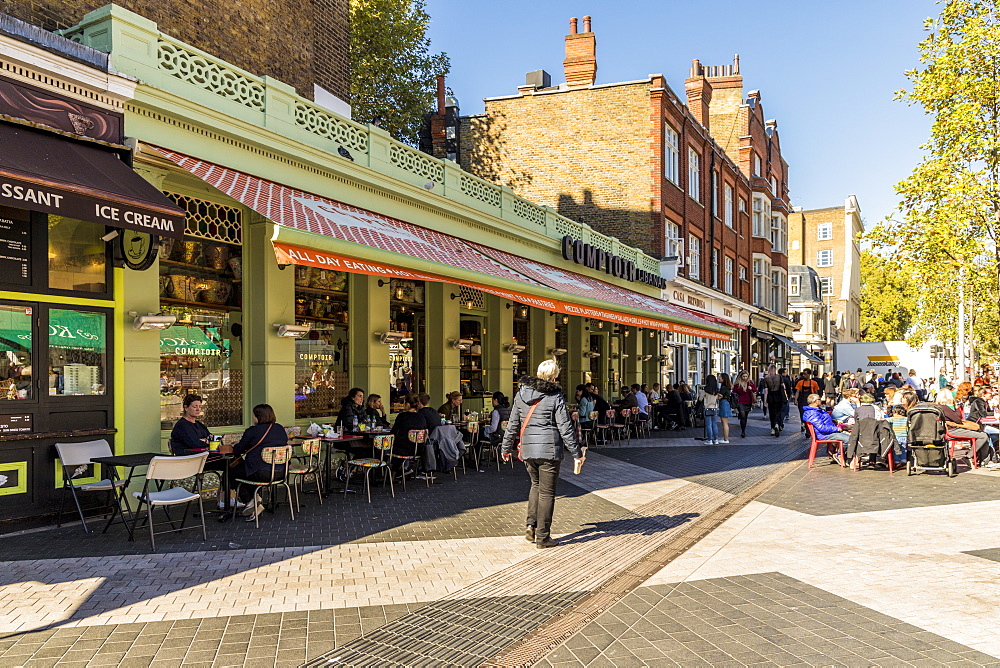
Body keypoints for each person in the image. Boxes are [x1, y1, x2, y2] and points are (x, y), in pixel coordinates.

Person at [502, 360, 584, 549]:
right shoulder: (555, 396)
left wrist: (505, 448)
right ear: (554, 377)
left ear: (538, 374)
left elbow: (512, 423)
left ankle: (531, 526)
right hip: (549, 450)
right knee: (547, 493)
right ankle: (543, 537)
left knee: (535, 486)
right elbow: (565, 427)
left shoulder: (521, 393)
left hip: (529, 450)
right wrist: (576, 452)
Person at [229, 404, 288, 520]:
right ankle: (255, 498)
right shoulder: (280, 429)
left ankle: (250, 501)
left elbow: (238, 450)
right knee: (248, 473)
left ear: (258, 417)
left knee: (232, 472)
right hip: (281, 472)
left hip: (261, 473)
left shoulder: (252, 431)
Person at [936, 393, 992, 465]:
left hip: (955, 429)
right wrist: (956, 408)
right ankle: (968, 457)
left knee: (985, 435)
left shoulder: (943, 407)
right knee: (983, 436)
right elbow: (958, 419)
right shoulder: (945, 408)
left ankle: (984, 460)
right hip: (953, 430)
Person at [802, 394, 850, 463]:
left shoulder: (816, 410)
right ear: (815, 401)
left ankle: (835, 452)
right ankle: (839, 455)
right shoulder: (813, 413)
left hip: (828, 432)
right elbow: (821, 427)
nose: (821, 401)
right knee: (849, 439)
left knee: (848, 434)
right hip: (825, 435)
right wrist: (836, 429)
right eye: (820, 399)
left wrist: (835, 422)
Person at [390, 393, 429, 474]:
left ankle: (394, 471)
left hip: (404, 449)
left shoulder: (402, 416)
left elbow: (393, 432)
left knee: (388, 448)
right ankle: (404, 469)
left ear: (407, 404)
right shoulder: (421, 416)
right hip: (418, 449)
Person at [762, 365, 787, 437]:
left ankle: (772, 428)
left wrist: (765, 401)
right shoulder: (779, 377)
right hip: (779, 395)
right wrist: (786, 396)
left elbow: (766, 390)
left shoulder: (766, 379)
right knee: (778, 411)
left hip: (771, 396)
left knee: (771, 412)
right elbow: (783, 387)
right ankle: (777, 424)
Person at [698, 375, 721, 444]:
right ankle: (716, 439)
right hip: (714, 407)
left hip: (707, 407)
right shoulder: (716, 390)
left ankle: (709, 440)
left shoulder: (705, 390)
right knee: (714, 424)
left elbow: (700, 399)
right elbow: (717, 398)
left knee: (708, 424)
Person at [732, 371, 756, 438]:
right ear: (741, 376)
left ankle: (743, 428)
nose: (745, 378)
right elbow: (734, 392)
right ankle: (743, 431)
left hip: (748, 401)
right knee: (743, 415)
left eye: (746, 376)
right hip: (740, 401)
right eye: (743, 376)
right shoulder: (737, 384)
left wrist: (751, 389)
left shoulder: (750, 383)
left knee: (745, 416)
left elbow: (755, 390)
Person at [717, 372, 734, 443]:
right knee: (725, 422)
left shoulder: (723, 387)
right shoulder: (727, 387)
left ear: (723, 379)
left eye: (720, 377)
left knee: (724, 422)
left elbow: (720, 397)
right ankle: (725, 438)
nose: (718, 378)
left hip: (724, 404)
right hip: (726, 404)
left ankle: (726, 439)